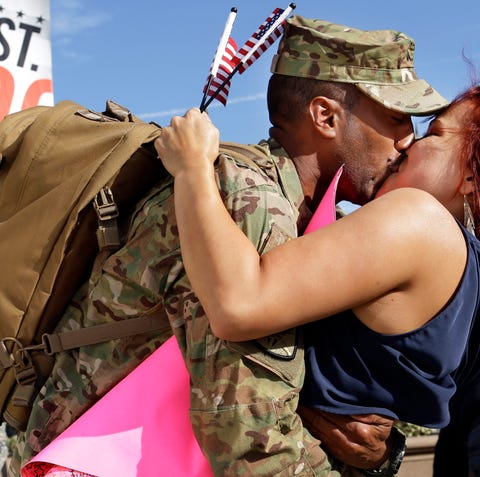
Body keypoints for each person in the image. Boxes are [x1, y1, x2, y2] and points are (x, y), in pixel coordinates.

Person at [9, 16, 449, 477]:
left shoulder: (288, 209)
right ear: (326, 117)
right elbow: (247, 436)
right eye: (397, 117)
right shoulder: (248, 202)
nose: (407, 141)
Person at [154, 83, 480, 474]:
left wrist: (191, 168)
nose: (409, 142)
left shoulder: (419, 219)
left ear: (471, 177)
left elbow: (239, 305)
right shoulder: (465, 264)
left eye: (436, 134)